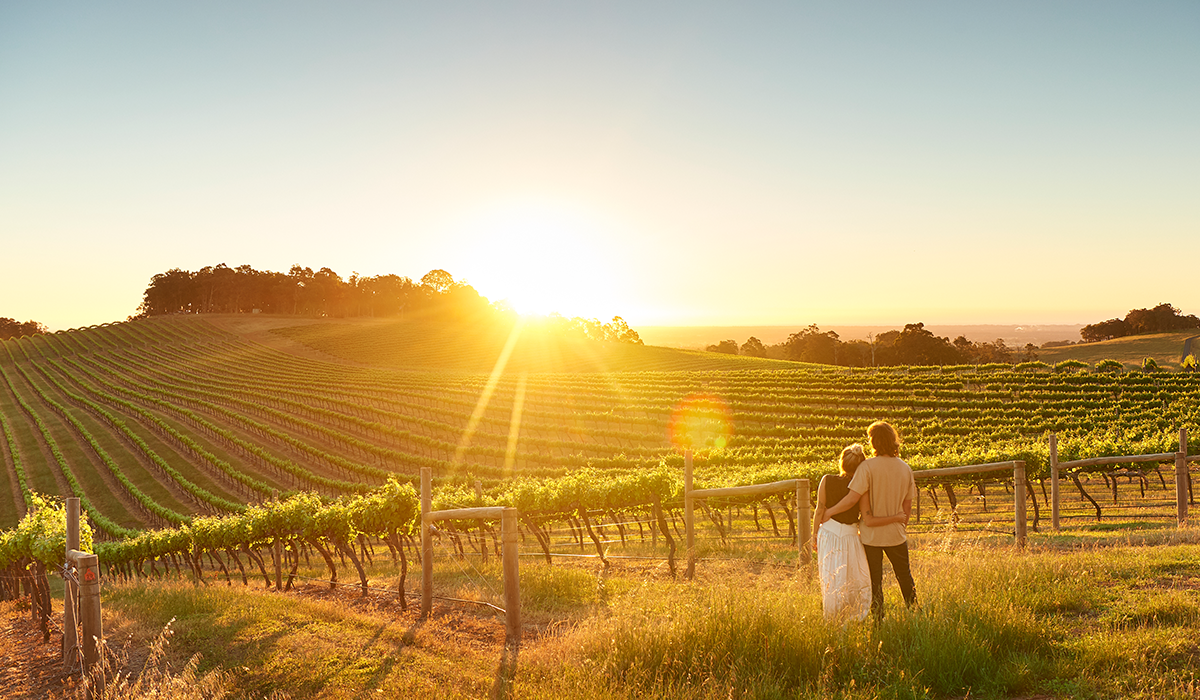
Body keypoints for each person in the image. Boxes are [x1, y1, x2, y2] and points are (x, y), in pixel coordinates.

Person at [821, 421, 917, 620]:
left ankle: (878, 621)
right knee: (904, 576)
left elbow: (852, 498)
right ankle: (915, 614)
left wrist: (829, 511)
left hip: (871, 536)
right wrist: (900, 525)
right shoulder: (905, 468)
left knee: (875, 581)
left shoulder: (867, 467)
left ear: (874, 441)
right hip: (896, 534)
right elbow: (907, 506)